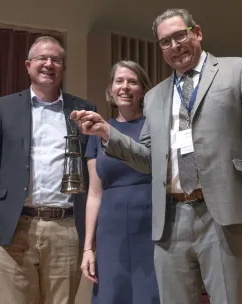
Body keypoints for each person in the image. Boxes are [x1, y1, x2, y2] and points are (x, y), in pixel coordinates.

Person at [72, 8, 242, 304]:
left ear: (197, 33)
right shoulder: (156, 95)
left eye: (179, 36)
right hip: (171, 219)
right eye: (165, 42)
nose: (174, 46)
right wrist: (108, 132)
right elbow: (147, 158)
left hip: (220, 213)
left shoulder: (237, 70)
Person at [0, 36, 96, 304]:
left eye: (56, 59)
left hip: (65, 228)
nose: (49, 64)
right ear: (28, 65)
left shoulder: (84, 110)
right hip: (15, 227)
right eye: (42, 58)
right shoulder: (4, 107)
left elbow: (94, 171)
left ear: (63, 67)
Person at [81, 61, 160, 304]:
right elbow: (94, 193)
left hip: (151, 228)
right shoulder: (97, 131)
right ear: (111, 89)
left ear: (143, 90)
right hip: (111, 231)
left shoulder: (155, 128)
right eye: (119, 81)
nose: (125, 87)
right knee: (111, 295)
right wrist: (87, 248)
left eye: (132, 81)